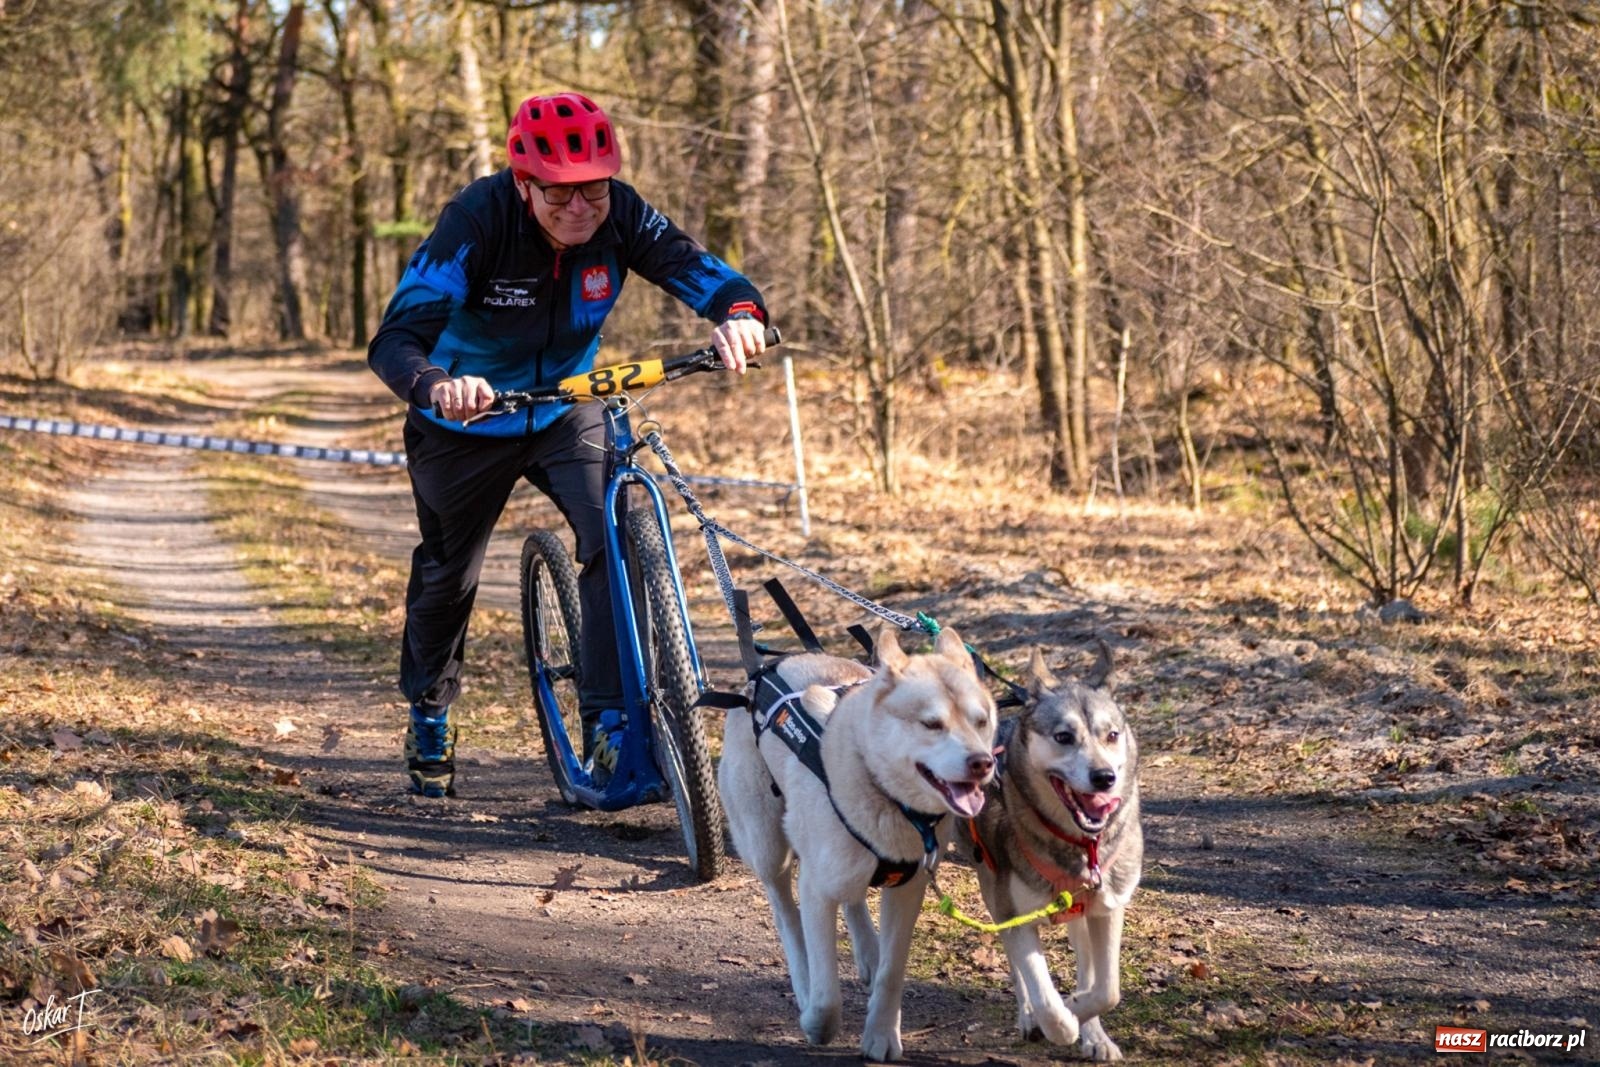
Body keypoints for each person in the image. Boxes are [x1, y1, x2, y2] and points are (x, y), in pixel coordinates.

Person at [368, 92, 768, 797]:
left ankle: (614, 723)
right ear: (525, 184)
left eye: (594, 189)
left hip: (566, 406)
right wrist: (435, 383)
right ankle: (430, 708)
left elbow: (704, 273)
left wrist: (739, 315)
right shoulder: (477, 220)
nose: (580, 208)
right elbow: (396, 338)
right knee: (448, 574)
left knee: (615, 529)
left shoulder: (623, 214)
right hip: (464, 422)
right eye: (559, 195)